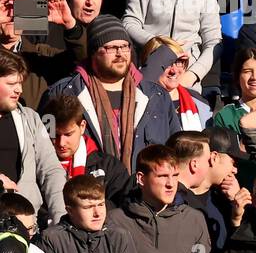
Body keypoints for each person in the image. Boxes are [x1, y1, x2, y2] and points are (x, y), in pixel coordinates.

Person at [43, 15, 180, 170]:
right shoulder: (61, 94)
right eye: (111, 48)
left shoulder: (157, 96)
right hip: (87, 188)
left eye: (124, 46)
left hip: (143, 190)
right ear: (94, 52)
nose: (120, 53)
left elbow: (174, 149)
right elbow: (45, 146)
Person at [0, 48, 66, 223]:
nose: (19, 90)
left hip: (27, 222)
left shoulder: (32, 119)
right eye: (11, 83)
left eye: (20, 83)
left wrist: (61, 218)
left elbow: (51, 169)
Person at [140, 37, 211, 131]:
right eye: (168, 63)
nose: (174, 70)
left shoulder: (199, 103)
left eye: (179, 62)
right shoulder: (139, 100)